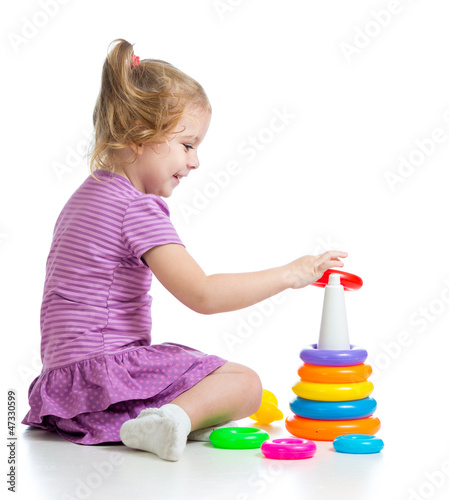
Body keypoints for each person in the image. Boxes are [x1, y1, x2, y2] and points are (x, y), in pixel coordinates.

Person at [22, 39, 347, 461]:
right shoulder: (136, 207)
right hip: (104, 378)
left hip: (66, 395)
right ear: (140, 135)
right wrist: (291, 274)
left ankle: (163, 419)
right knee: (246, 385)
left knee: (213, 380)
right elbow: (203, 295)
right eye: (188, 144)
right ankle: (168, 421)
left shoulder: (86, 196)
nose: (195, 162)